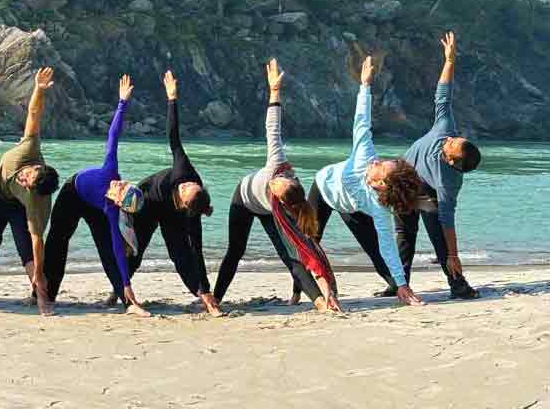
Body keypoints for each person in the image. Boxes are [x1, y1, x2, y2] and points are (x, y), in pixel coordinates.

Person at [212, 60, 341, 312]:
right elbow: (273, 129)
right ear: (289, 179)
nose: (272, 182)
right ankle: (215, 298)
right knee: (234, 251)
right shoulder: (277, 165)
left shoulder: (285, 209)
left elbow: (311, 252)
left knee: (291, 255)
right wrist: (274, 91)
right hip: (243, 199)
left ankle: (319, 302)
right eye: (278, 182)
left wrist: (327, 292)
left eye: (275, 188)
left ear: (281, 201)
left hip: (267, 210)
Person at [305, 56, 425, 306]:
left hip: (352, 207)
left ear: (382, 186)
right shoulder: (364, 157)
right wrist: (365, 85)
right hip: (323, 188)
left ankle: (398, 287)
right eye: (382, 160)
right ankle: (303, 292)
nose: (376, 161)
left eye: (380, 167)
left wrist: (402, 283)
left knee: (376, 249)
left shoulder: (379, 207)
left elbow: (388, 245)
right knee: (309, 241)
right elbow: (362, 122)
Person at [42, 74, 148, 314]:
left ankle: (127, 300)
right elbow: (113, 136)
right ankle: (45, 295)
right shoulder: (110, 171)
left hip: (95, 205)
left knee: (108, 249)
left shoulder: (111, 211)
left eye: (122, 189)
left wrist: (128, 283)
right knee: (57, 241)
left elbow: (119, 251)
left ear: (119, 202)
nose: (121, 184)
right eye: (125, 184)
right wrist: (122, 103)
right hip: (72, 193)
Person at [388, 32, 481, 300]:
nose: (450, 139)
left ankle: (457, 284)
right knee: (404, 234)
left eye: (452, 144)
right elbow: (443, 96)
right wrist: (449, 61)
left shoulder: (449, 183)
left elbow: (448, 221)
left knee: (439, 235)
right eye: (455, 138)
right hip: (404, 182)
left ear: (453, 161)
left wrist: (454, 254)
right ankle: (398, 284)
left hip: (428, 193)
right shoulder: (445, 128)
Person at [122, 71, 222, 316]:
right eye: (189, 185)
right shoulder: (183, 171)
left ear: (187, 204)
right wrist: (172, 98)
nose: (186, 184)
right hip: (147, 203)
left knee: (182, 256)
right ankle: (120, 291)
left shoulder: (191, 213)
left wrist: (205, 288)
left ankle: (202, 296)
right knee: (135, 250)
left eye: (187, 188)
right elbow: (174, 138)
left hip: (171, 215)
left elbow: (196, 250)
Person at [0, 67, 60, 316]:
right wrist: (39, 89)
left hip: (16, 206)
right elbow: (34, 113)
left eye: (27, 184)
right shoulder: (29, 149)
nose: (23, 180)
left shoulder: (36, 200)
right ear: (36, 166)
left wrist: (40, 274)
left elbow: (37, 240)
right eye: (27, 176)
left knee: (25, 248)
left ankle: (38, 293)